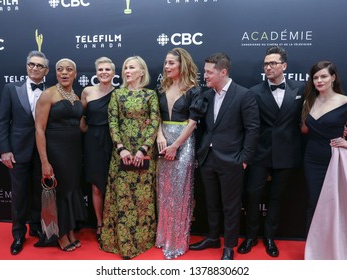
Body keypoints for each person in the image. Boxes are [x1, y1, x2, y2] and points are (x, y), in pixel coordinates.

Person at [189, 52, 260, 260]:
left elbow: (253, 129)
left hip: (232, 160)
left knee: (231, 206)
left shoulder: (243, 94)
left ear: (223, 71)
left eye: (209, 72)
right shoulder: (206, 94)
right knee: (210, 202)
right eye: (205, 71)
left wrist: (244, 159)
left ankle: (229, 246)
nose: (205, 76)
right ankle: (212, 237)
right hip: (207, 158)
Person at [237, 46, 305, 257]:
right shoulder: (254, 92)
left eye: (273, 63)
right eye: (266, 64)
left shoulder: (301, 90)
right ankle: (250, 236)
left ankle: (269, 238)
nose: (268, 67)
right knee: (252, 196)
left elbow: (314, 114)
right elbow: (248, 125)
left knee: (276, 198)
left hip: (287, 152)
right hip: (260, 153)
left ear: (284, 65)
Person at [301, 61, 347, 259]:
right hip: (312, 158)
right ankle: (315, 251)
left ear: (333, 78)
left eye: (323, 76)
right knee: (314, 203)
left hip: (335, 160)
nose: (319, 81)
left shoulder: (346, 101)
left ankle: (335, 250)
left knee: (335, 204)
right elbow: (304, 129)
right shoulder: (309, 101)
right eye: (315, 77)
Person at [99, 56, 160, 259]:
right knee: (123, 198)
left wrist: (143, 149)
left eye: (131, 67)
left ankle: (142, 240)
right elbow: (113, 122)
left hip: (144, 153)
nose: (127, 70)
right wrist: (121, 148)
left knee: (142, 197)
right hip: (121, 154)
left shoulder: (150, 95)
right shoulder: (117, 94)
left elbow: (154, 122)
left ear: (141, 72)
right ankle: (121, 243)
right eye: (125, 67)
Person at [155, 48, 206, 259]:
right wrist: (159, 135)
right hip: (162, 141)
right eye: (166, 63)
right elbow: (156, 116)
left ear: (181, 65)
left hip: (183, 143)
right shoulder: (161, 88)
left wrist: (175, 145)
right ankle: (163, 236)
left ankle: (176, 241)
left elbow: (193, 123)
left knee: (179, 192)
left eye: (171, 63)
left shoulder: (194, 90)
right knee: (163, 192)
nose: (167, 67)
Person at [0, 50, 49, 255]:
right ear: (27, 67)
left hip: (43, 151)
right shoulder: (11, 88)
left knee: (40, 192)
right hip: (18, 151)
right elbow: (2, 122)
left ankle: (35, 226)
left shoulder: (52, 90)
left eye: (39, 66)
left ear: (46, 70)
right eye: (32, 64)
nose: (35, 68)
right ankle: (18, 234)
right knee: (19, 194)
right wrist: (4, 150)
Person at [35, 58, 87, 252]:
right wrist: (44, 161)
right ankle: (60, 234)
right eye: (60, 70)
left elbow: (81, 126)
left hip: (74, 150)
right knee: (61, 190)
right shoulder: (48, 95)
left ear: (75, 74)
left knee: (72, 188)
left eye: (69, 69)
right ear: (55, 73)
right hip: (56, 150)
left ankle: (70, 229)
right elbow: (39, 129)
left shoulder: (76, 96)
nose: (64, 73)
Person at [80, 57, 115, 242]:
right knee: (96, 186)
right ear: (96, 72)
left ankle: (113, 223)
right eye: (100, 69)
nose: (104, 72)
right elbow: (79, 115)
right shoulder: (87, 91)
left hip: (114, 141)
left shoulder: (118, 93)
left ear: (113, 73)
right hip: (93, 141)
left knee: (113, 185)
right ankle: (100, 224)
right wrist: (85, 129)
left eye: (107, 69)